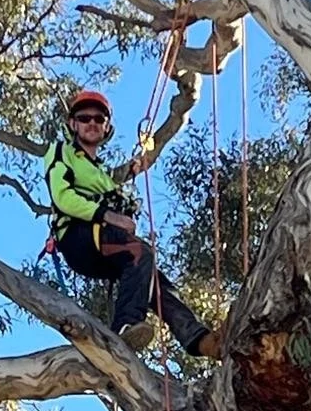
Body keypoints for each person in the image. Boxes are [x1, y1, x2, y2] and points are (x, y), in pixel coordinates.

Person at [44, 90, 221, 359]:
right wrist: (109, 215)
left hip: (103, 243)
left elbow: (113, 193)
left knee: (152, 281)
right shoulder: (61, 152)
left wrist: (128, 178)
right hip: (78, 236)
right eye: (84, 117)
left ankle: (200, 340)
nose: (92, 122)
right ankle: (125, 325)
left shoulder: (101, 172)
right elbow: (62, 196)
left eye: (99, 119)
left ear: (106, 128)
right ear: (72, 124)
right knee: (141, 252)